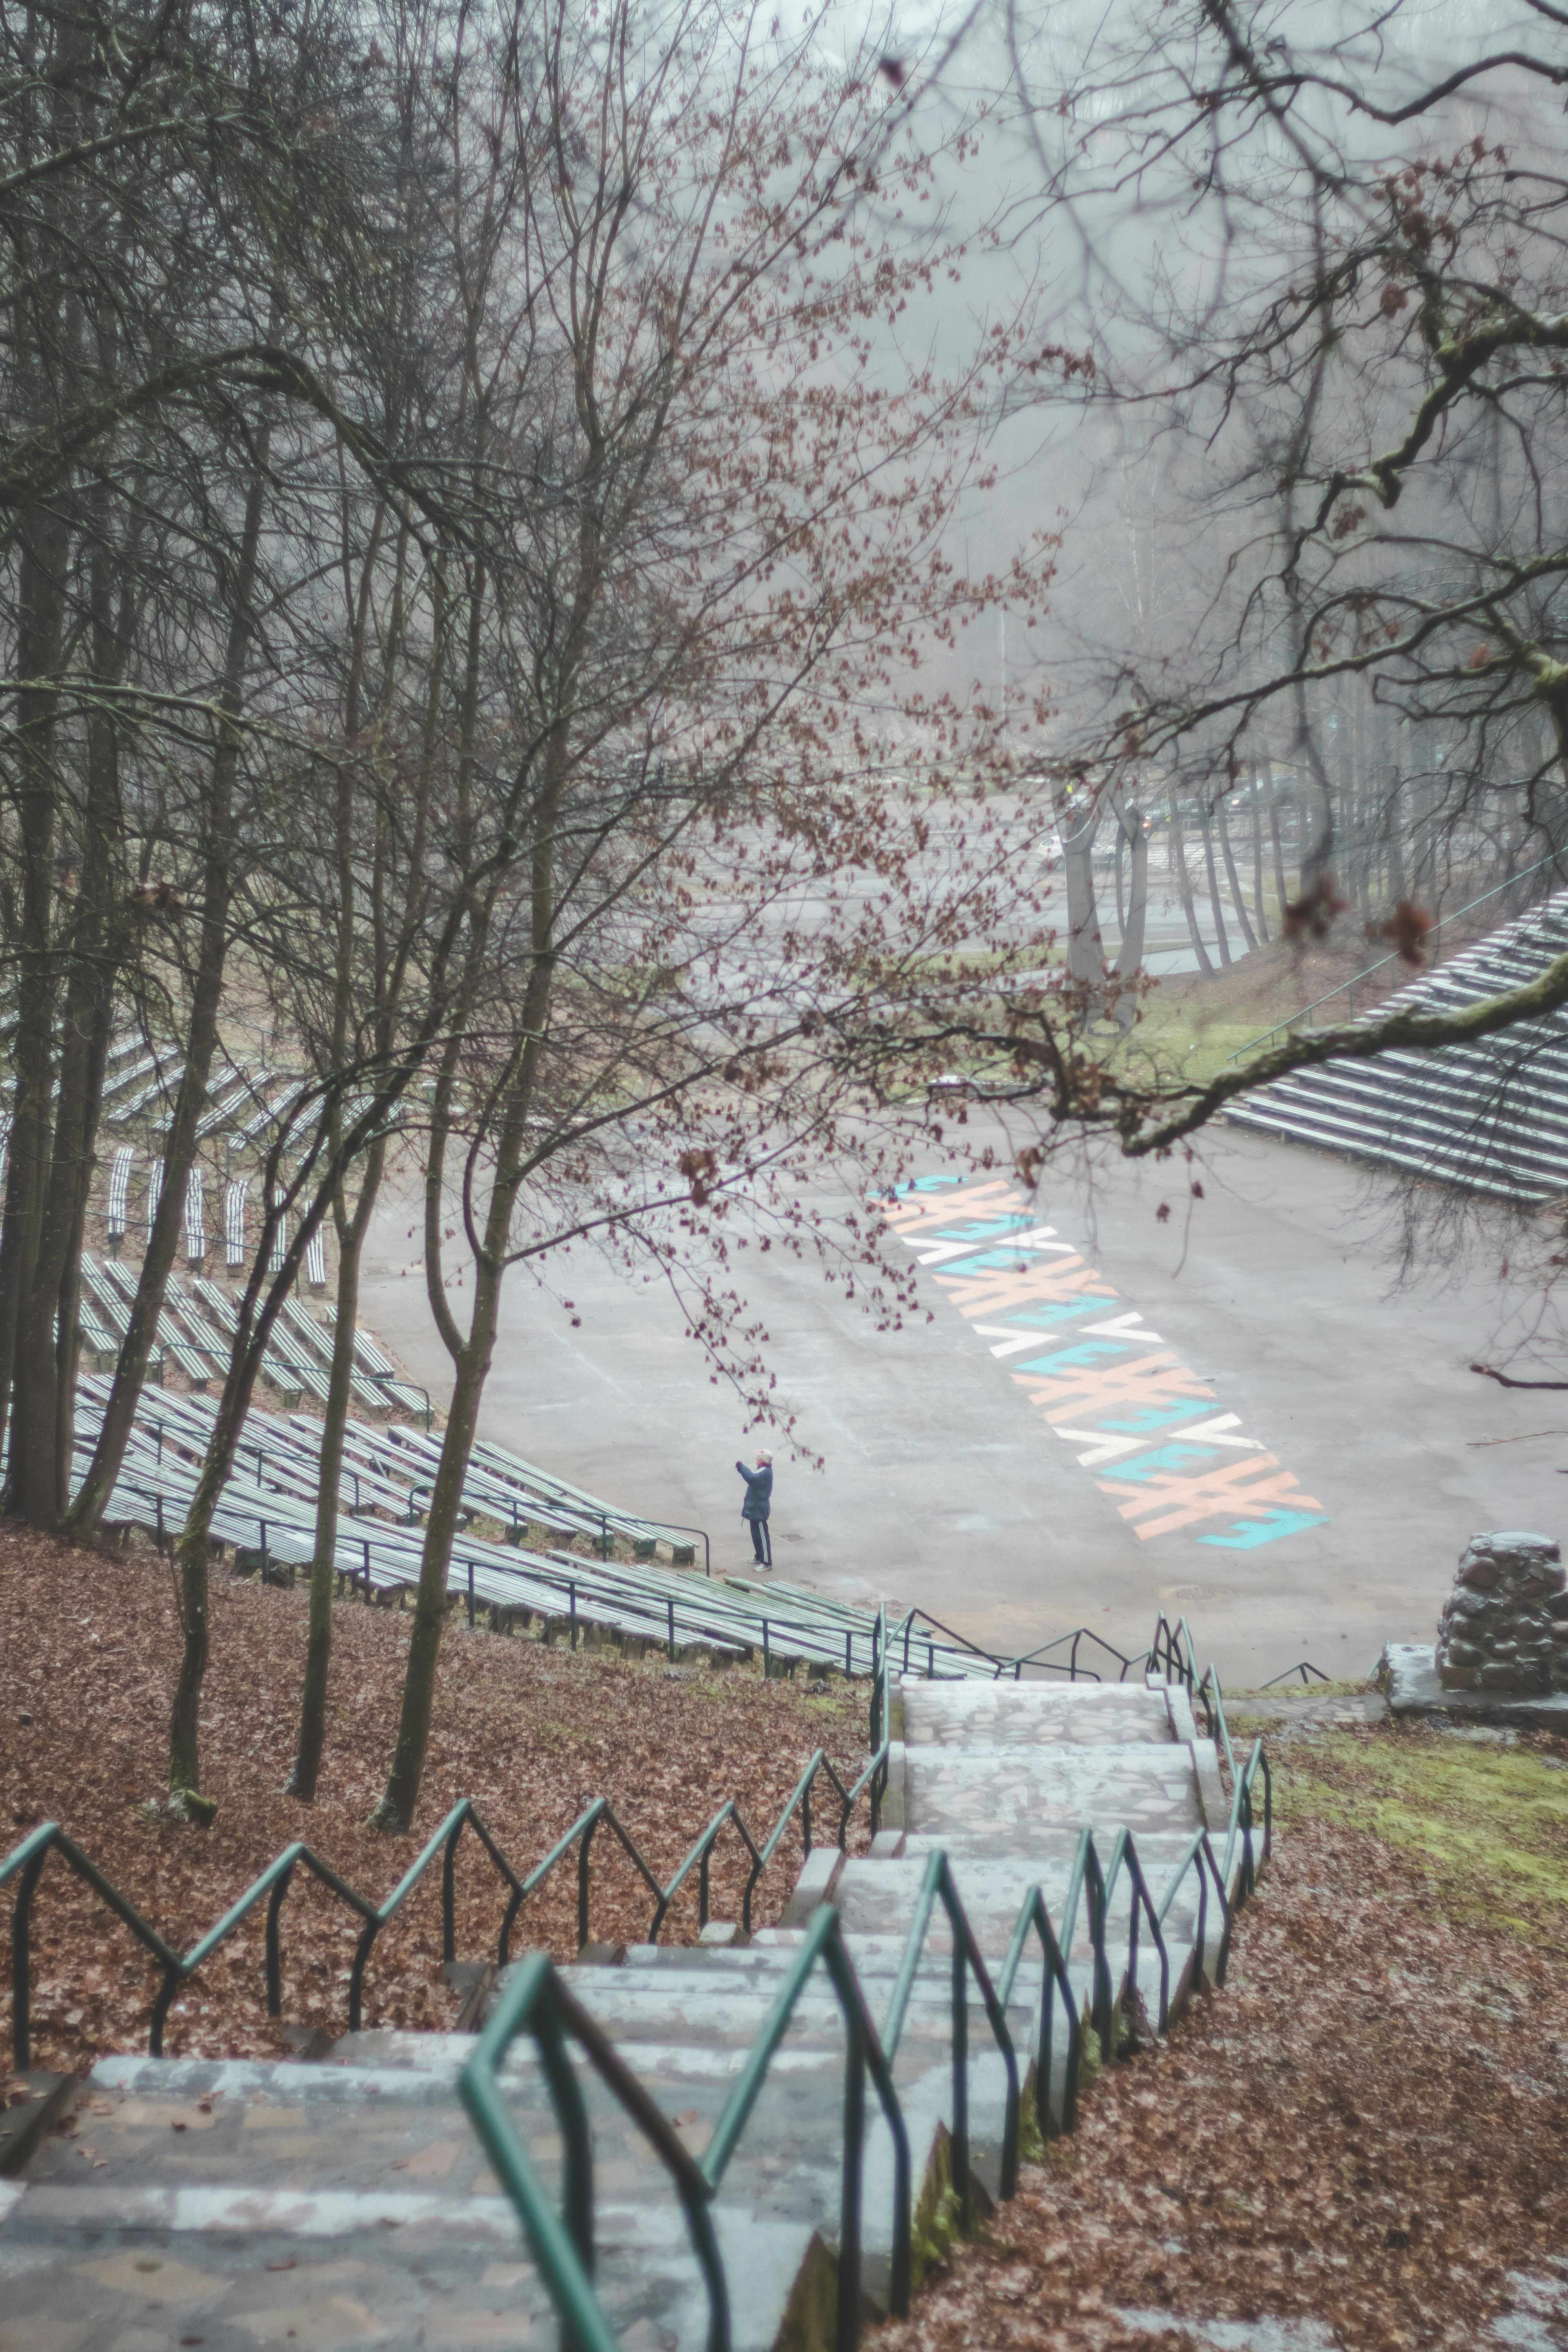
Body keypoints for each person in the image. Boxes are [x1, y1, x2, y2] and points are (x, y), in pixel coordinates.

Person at [735, 1450, 773, 1567]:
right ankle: (759, 1556)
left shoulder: (765, 1472)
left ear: (764, 1460)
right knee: (756, 1534)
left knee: (762, 1535)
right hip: (755, 1508)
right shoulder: (762, 1469)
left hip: (760, 1509)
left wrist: (742, 1468)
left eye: (759, 1457)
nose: (757, 1458)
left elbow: (752, 1478)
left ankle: (766, 1562)